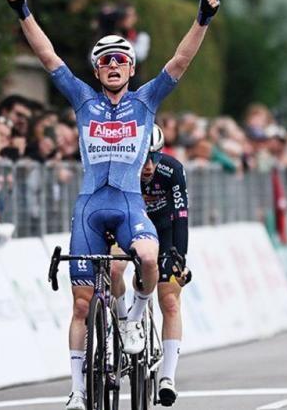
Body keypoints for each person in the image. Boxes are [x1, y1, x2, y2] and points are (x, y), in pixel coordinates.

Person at [5, 0, 219, 410]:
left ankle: (135, 321)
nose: (115, 65)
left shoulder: (145, 101)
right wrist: (25, 13)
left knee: (148, 257)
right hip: (88, 207)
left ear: (131, 68)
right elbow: (48, 57)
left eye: (122, 59)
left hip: (127, 203)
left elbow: (179, 61)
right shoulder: (83, 99)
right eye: (106, 61)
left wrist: (202, 20)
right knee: (81, 306)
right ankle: (79, 391)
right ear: (98, 71)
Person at [113, 124, 189, 406]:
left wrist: (180, 256)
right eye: (142, 157)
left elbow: (181, 215)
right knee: (114, 269)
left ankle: (167, 378)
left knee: (169, 299)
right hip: (128, 228)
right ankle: (124, 322)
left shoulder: (173, 170)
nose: (147, 166)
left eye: (154, 157)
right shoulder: (121, 171)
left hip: (165, 231)